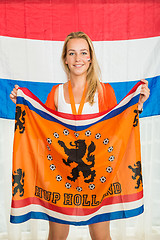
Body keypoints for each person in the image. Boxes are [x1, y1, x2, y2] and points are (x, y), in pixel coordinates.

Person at [10, 31, 150, 240]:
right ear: (65, 59)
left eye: (83, 53)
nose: (78, 59)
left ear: (90, 58)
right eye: (72, 53)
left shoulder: (104, 92)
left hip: (97, 178)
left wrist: (136, 108)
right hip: (61, 176)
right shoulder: (56, 93)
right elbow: (45, 137)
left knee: (101, 237)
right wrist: (25, 111)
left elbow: (116, 132)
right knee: (56, 237)